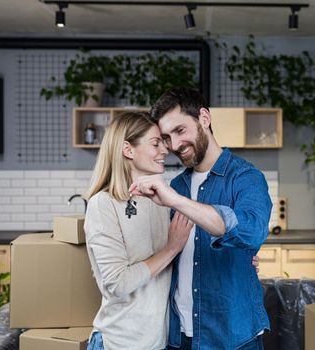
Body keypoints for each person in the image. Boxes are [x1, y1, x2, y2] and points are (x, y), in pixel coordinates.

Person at [130, 87, 273, 350]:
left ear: (204, 119)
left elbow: (253, 231)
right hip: (180, 335)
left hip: (232, 336)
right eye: (166, 137)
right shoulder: (178, 185)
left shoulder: (245, 178)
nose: (174, 145)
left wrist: (175, 201)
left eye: (180, 130)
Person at [83, 111, 194, 350]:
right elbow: (118, 284)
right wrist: (171, 248)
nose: (165, 150)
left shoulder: (162, 200)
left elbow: (183, 256)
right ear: (128, 150)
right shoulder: (103, 204)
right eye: (155, 143)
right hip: (119, 343)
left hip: (159, 342)